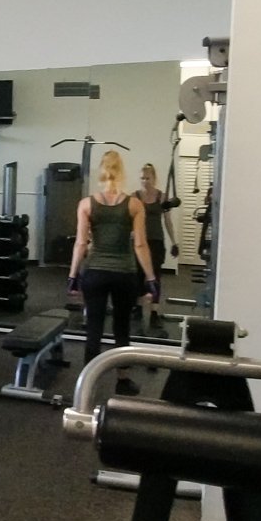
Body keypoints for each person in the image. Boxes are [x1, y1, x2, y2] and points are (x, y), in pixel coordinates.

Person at [67, 150, 158, 395]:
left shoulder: (86, 204)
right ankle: (123, 380)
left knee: (94, 326)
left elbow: (81, 244)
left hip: (95, 272)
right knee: (121, 327)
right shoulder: (134, 204)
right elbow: (140, 245)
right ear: (122, 172)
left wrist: (73, 277)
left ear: (101, 172)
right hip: (124, 274)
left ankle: (88, 383)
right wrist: (151, 279)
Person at [134, 163, 179, 334]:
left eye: (148, 178)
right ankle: (137, 309)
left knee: (156, 276)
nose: (145, 181)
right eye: (142, 178)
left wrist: (174, 242)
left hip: (156, 241)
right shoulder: (135, 197)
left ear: (154, 178)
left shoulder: (162, 197)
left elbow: (167, 221)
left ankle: (154, 312)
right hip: (140, 240)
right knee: (138, 276)